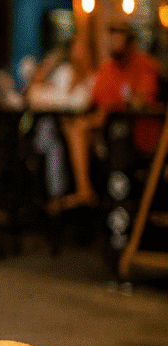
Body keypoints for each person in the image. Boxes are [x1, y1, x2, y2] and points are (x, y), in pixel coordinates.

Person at [56, 22, 161, 211]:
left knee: (93, 127)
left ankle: (92, 195)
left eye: (118, 38)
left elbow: (141, 101)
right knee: (72, 127)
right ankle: (81, 191)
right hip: (108, 134)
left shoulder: (144, 65)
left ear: (130, 42)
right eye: (111, 38)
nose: (113, 43)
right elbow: (95, 102)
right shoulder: (106, 69)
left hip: (138, 135)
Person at [25, 35, 96, 212]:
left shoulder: (94, 78)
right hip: (58, 129)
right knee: (51, 135)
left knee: (71, 131)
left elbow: (83, 104)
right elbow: (35, 95)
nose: (78, 54)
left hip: (85, 130)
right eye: (75, 49)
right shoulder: (64, 72)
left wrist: (59, 100)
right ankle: (56, 196)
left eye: (83, 50)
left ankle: (77, 192)